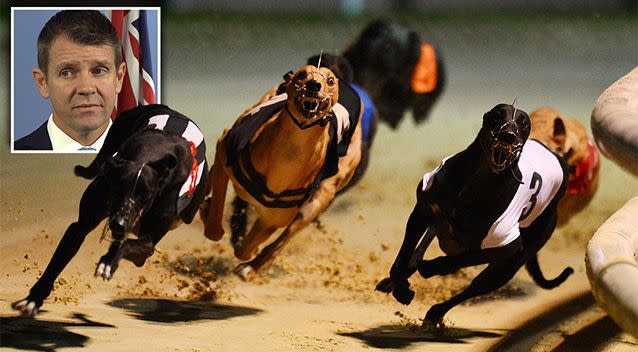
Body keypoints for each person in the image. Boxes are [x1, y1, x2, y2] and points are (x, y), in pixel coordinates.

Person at [14, 10, 126, 151]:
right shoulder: (7, 160)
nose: (86, 88)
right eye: (67, 73)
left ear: (119, 78)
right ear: (42, 82)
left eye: (98, 71)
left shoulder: (153, 161)